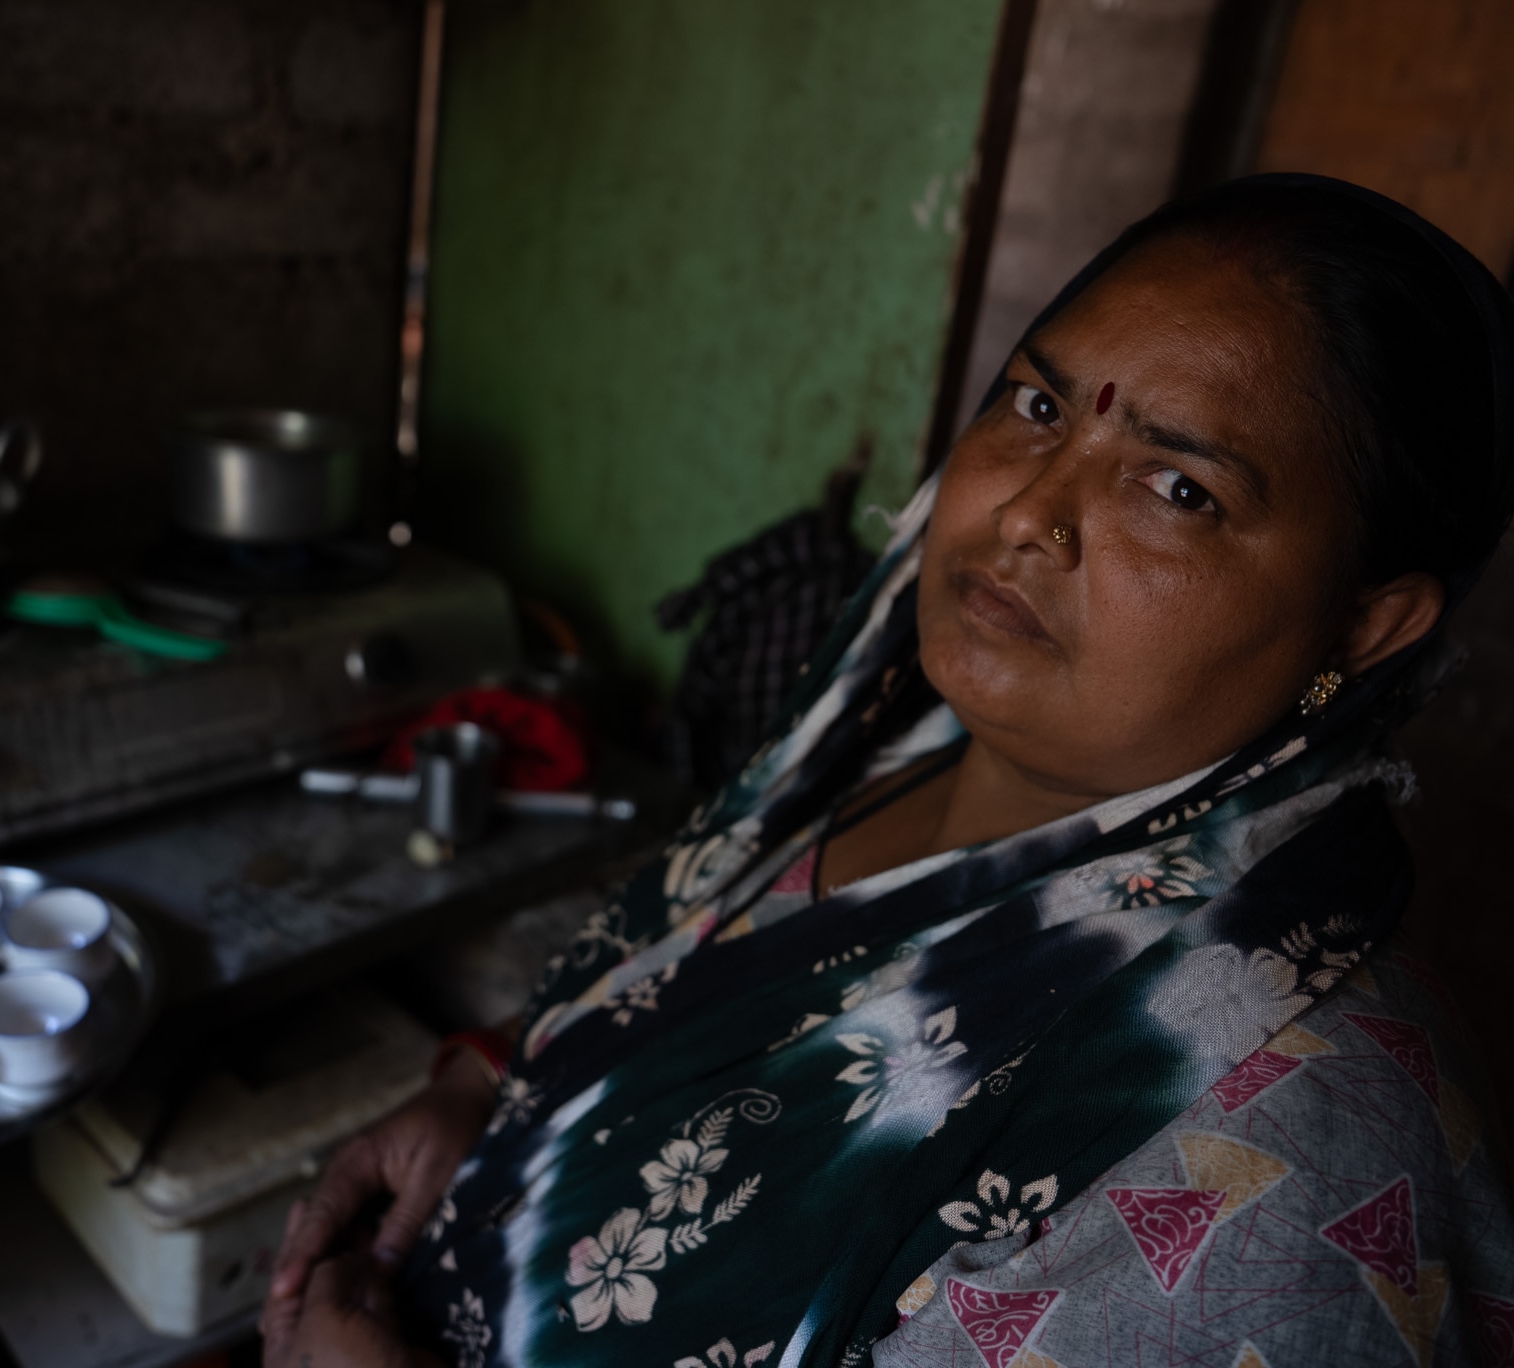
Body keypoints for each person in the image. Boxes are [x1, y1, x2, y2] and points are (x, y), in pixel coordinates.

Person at [260, 174, 1514, 1367]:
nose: (1027, 512)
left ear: (1366, 624)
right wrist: (493, 1087)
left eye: (1177, 488)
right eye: (1033, 406)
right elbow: (699, 998)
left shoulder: (1287, 1166)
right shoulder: (873, 738)